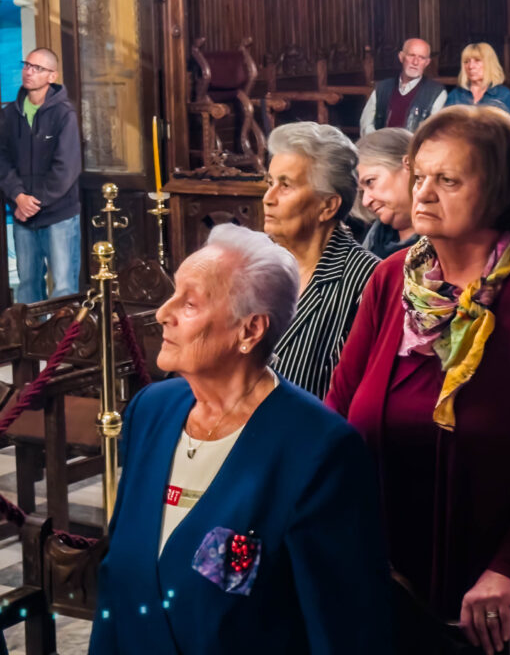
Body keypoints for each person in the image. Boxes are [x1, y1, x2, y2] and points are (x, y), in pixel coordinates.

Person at [326, 106, 510, 654]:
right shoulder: (389, 279)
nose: (424, 194)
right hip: (387, 559)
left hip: (505, 581)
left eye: (448, 180)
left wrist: (509, 570)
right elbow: (337, 410)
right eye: (419, 176)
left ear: (498, 191)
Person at [89, 224, 390, 654]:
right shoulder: (151, 410)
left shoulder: (320, 450)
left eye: (189, 303)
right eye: (173, 294)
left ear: (250, 331)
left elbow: (343, 630)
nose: (162, 313)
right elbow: (116, 584)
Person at [263, 122, 378, 399]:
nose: (268, 198)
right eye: (269, 183)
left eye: (285, 186)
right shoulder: (256, 265)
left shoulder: (367, 280)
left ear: (327, 206)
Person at [0, 48, 82, 304]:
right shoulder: (9, 114)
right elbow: (2, 159)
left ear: (51, 76)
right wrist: (18, 196)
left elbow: (66, 168)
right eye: (27, 65)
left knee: (64, 286)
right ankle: (32, 332)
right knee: (27, 285)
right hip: (23, 214)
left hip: (59, 215)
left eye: (37, 68)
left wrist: (33, 202)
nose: (28, 72)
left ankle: (63, 333)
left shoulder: (64, 114)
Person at [359, 38, 447, 136]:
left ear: (427, 63)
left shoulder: (436, 93)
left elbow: (434, 133)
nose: (415, 62)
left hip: (414, 146)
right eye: (411, 55)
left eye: (421, 58)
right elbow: (366, 125)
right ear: (401, 57)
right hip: (381, 144)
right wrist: (380, 142)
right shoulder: (382, 88)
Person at [356, 127, 419, 258]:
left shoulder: (449, 241)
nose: (365, 202)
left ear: (409, 165)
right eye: (362, 192)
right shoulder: (372, 240)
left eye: (370, 182)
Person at [443, 43, 510, 114]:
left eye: (477, 60)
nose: (471, 66)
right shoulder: (455, 95)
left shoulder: (503, 95)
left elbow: (506, 122)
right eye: (466, 62)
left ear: (490, 64)